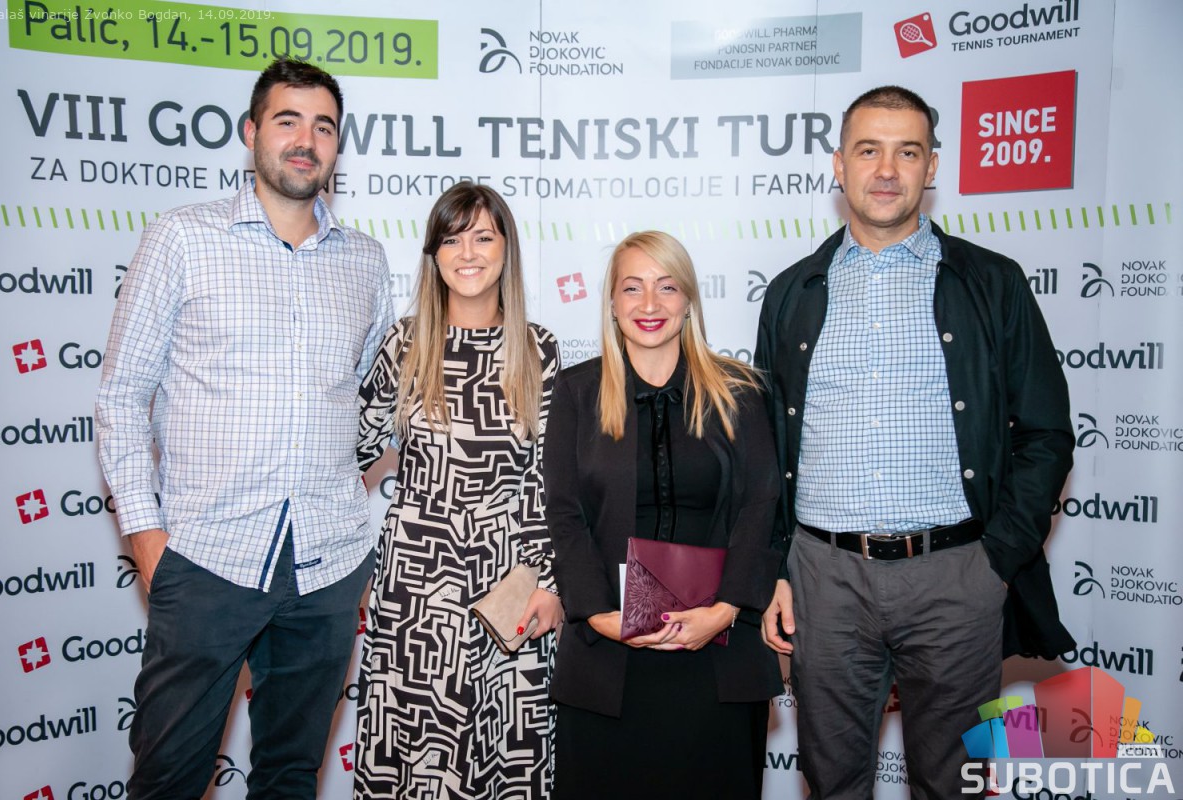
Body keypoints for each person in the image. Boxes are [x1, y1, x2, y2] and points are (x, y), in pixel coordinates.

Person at [755, 85, 1075, 799]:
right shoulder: (792, 292)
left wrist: (996, 560)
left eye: (907, 152)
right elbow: (768, 447)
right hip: (824, 580)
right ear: (839, 164)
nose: (886, 170)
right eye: (868, 150)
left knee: (953, 785)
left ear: (932, 166)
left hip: (955, 576)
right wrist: (778, 568)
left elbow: (1046, 432)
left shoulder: (992, 283)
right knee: (832, 784)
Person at [95, 58, 393, 798]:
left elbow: (365, 398)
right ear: (251, 131)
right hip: (205, 558)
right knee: (169, 776)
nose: (306, 140)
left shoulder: (365, 261)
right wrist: (146, 537)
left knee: (290, 776)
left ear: (337, 145)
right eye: (288, 121)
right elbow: (122, 396)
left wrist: (347, 497)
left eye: (323, 126)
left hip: (327, 564)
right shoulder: (181, 238)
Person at [545, 231, 782, 799]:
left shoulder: (739, 391)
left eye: (667, 287)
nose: (649, 304)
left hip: (718, 654)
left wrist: (724, 611)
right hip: (609, 658)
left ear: (689, 300)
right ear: (612, 302)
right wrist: (598, 616)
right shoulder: (577, 391)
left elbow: (761, 504)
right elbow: (565, 513)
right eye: (632, 287)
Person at [355, 181, 562, 799]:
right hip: (417, 586)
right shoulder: (404, 344)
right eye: (451, 239)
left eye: (482, 237)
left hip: (512, 580)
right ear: (433, 254)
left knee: (508, 755)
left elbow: (552, 481)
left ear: (506, 249)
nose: (467, 253)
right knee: (413, 755)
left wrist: (551, 583)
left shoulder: (538, 348)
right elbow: (349, 454)